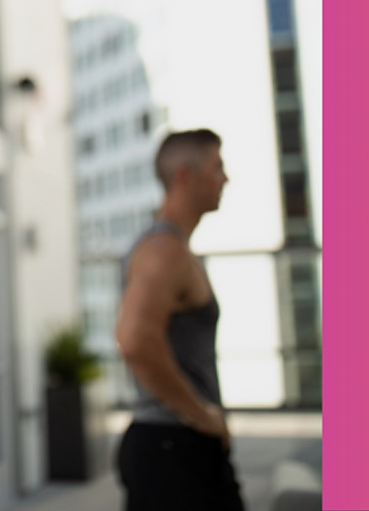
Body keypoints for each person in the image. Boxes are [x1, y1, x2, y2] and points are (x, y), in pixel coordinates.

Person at [113, 128, 242, 510]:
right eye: (217, 167)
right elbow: (134, 341)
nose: (225, 178)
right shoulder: (163, 249)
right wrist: (202, 415)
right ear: (185, 175)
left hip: (176, 447)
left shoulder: (172, 247)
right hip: (173, 449)